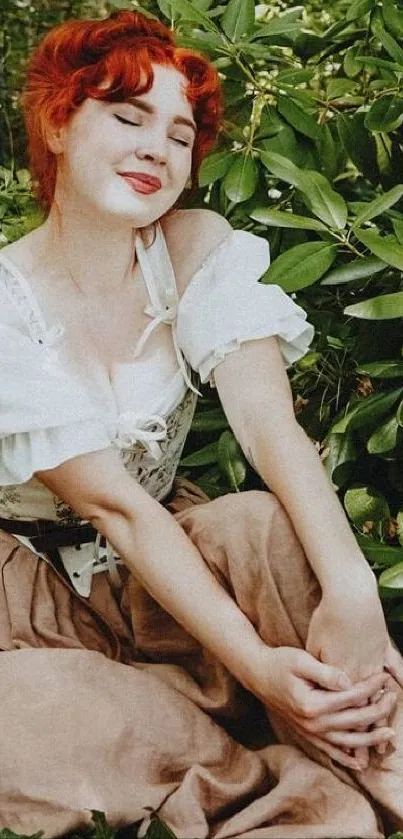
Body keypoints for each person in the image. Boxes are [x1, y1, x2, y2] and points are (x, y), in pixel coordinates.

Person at [0, 9, 402, 837]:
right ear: (57, 124)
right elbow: (115, 506)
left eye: (180, 135)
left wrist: (354, 593)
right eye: (127, 115)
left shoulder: (191, 248)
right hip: (28, 604)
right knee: (20, 717)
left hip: (161, 576)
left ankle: (380, 759)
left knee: (259, 523)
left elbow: (267, 427)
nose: (157, 147)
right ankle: (276, 784)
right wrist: (258, 667)